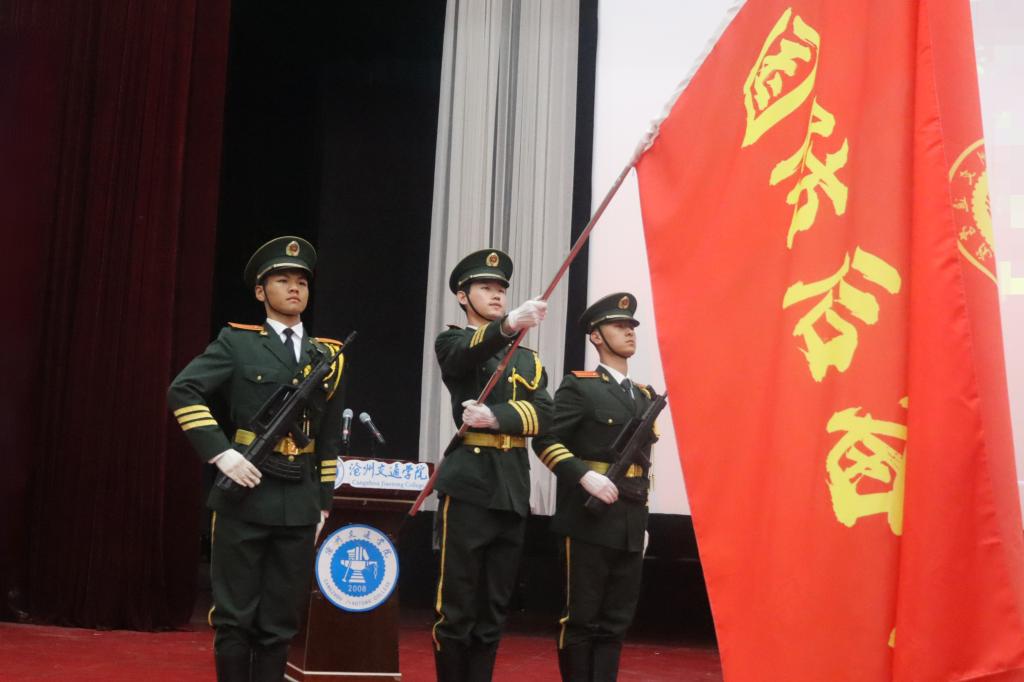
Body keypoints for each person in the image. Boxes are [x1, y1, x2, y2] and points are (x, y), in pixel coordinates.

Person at [167, 236, 346, 682]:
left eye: (301, 281)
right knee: (236, 617)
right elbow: (183, 390)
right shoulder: (238, 342)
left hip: (299, 498)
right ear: (260, 291)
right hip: (245, 493)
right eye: (282, 280)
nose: (294, 287)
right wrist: (220, 453)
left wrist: (323, 501)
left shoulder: (327, 354)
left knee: (281, 619)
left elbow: (327, 438)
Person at [431, 248, 553, 681]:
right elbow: (466, 355)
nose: (498, 294)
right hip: (469, 486)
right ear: (463, 296)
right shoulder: (452, 341)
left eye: (501, 288)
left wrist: (498, 417)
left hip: (511, 487)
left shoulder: (528, 359)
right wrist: (509, 325)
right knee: (457, 609)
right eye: (485, 287)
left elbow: (546, 415)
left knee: (493, 611)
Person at [532, 292, 658, 682]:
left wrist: (643, 520)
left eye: (632, 325)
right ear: (596, 336)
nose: (629, 331)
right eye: (619, 326)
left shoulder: (645, 396)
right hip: (588, 519)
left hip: (630, 520)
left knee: (615, 622)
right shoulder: (581, 387)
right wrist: (583, 476)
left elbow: (644, 466)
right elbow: (545, 439)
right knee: (581, 619)